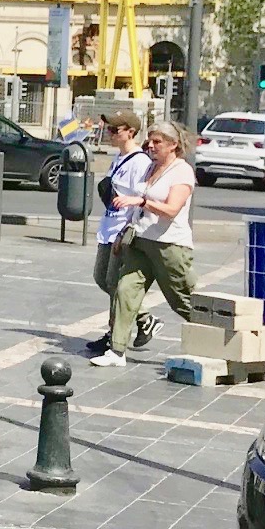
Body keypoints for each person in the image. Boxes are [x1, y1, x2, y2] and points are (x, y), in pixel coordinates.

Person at [91, 118, 198, 367]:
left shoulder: (181, 171)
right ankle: (117, 351)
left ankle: (215, 336)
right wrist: (123, 234)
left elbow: (171, 209)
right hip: (141, 240)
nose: (150, 145)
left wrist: (140, 202)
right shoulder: (151, 168)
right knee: (124, 289)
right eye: (150, 141)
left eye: (157, 141)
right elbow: (139, 208)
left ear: (172, 145)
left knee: (181, 300)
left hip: (170, 245)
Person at [87, 109, 157, 358]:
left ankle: (115, 336)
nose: (110, 134)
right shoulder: (119, 158)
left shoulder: (140, 162)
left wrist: (129, 229)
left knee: (114, 283)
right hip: (108, 227)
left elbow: (144, 198)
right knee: (102, 278)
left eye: (115, 130)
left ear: (131, 132)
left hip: (122, 230)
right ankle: (142, 318)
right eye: (109, 129)